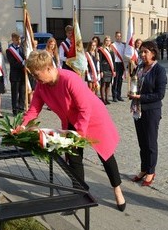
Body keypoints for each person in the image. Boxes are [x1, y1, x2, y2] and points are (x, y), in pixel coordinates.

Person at [22, 50, 126, 212]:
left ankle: (117, 189)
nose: (35, 79)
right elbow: (33, 110)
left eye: (36, 74)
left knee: (106, 155)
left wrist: (78, 135)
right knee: (73, 157)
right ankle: (79, 194)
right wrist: (22, 125)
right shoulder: (42, 86)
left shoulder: (69, 79)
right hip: (71, 120)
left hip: (93, 118)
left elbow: (84, 109)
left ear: (49, 68)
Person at [129, 41, 167, 187]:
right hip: (138, 110)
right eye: (141, 52)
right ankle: (144, 169)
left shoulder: (159, 70)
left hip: (151, 111)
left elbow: (160, 94)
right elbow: (135, 83)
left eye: (145, 52)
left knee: (151, 142)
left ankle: (151, 171)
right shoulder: (139, 67)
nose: (142, 55)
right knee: (142, 142)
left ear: (153, 52)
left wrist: (141, 97)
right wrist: (133, 93)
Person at [6, 32, 26, 116]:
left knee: (22, 92)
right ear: (13, 39)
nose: (18, 41)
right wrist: (23, 63)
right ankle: (15, 109)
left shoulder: (22, 48)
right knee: (15, 93)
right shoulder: (9, 50)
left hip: (22, 74)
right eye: (17, 39)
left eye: (19, 39)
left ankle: (21, 108)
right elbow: (13, 63)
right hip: (14, 75)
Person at [98, 36, 115, 105]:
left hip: (110, 69)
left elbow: (113, 61)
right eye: (106, 40)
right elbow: (100, 61)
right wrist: (101, 71)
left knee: (108, 84)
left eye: (109, 41)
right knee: (103, 84)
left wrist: (114, 70)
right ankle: (102, 99)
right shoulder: (101, 50)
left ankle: (107, 99)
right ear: (104, 41)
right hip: (104, 69)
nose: (108, 42)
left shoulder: (111, 50)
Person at [111, 31, 125, 102]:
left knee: (120, 80)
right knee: (115, 80)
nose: (119, 37)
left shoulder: (123, 45)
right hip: (115, 63)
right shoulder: (112, 45)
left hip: (121, 64)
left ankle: (119, 95)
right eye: (117, 36)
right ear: (115, 37)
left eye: (120, 36)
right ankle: (114, 96)